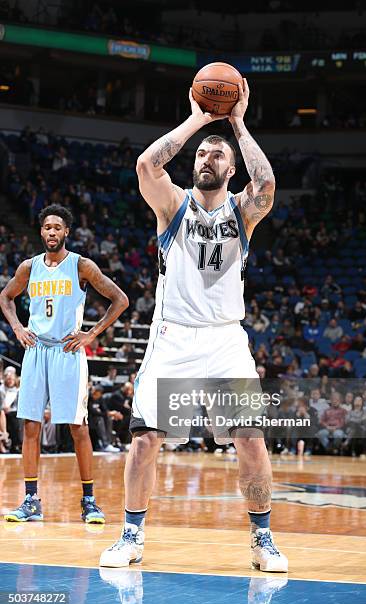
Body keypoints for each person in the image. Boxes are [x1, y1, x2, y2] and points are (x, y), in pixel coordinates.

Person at [100, 80, 288, 572]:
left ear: (231, 169)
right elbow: (146, 165)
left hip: (226, 337)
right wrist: (200, 119)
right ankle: (131, 536)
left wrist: (238, 125)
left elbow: (266, 187)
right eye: (202, 153)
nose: (207, 158)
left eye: (216, 155)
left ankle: (262, 539)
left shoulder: (242, 211)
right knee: (145, 439)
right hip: (174, 336)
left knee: (250, 438)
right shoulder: (173, 204)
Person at [0, 204, 129, 523]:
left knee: (78, 427)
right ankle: (31, 500)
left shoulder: (81, 265)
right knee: (29, 425)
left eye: (57, 227)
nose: (51, 232)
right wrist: (17, 327)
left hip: (68, 352)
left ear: (67, 232)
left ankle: (89, 501)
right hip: (36, 350)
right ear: (41, 231)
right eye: (46, 228)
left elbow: (120, 300)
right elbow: (6, 297)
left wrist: (92, 334)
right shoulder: (29, 268)